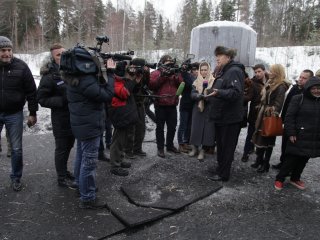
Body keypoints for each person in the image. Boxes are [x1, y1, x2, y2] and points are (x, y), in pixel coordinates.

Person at [63, 56, 114, 209]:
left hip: (82, 125)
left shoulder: (74, 76)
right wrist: (110, 74)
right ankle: (88, 197)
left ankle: (80, 185)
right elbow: (106, 95)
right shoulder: (86, 80)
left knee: (81, 155)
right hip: (89, 125)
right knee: (89, 162)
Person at [0, 36, 38, 191]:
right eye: (3, 50)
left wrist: (33, 113)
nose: (7, 53)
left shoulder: (21, 67)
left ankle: (16, 177)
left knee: (16, 148)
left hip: (14, 114)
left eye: (9, 50)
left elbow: (31, 91)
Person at [37, 43, 75, 187]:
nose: (62, 56)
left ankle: (64, 171)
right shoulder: (49, 76)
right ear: (53, 58)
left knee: (69, 145)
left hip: (74, 117)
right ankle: (61, 177)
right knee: (61, 148)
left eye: (64, 53)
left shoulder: (72, 70)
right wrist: (62, 100)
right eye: (58, 55)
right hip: (60, 118)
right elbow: (41, 98)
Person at [206, 46, 245, 181]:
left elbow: (235, 92)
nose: (217, 58)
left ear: (228, 57)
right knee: (221, 146)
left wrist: (218, 92)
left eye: (220, 55)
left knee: (227, 147)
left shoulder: (234, 71)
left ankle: (224, 174)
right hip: (221, 116)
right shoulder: (224, 71)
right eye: (216, 55)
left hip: (230, 118)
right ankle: (220, 169)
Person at [274, 76, 320, 190]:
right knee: (291, 159)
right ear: (309, 88)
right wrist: (291, 133)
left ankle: (295, 178)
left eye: (319, 88)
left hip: (314, 137)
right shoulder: (298, 99)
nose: (316, 90)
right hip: (299, 135)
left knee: (304, 159)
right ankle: (280, 179)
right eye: (313, 88)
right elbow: (289, 117)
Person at [108, 59, 144, 176]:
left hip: (125, 113)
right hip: (119, 113)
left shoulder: (122, 81)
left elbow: (131, 91)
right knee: (118, 140)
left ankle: (120, 159)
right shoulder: (115, 81)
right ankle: (115, 165)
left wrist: (136, 81)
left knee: (122, 139)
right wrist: (132, 80)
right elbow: (125, 93)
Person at [251, 64, 290, 173]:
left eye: (272, 71)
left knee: (267, 140)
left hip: (269, 116)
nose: (269, 72)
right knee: (259, 138)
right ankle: (259, 160)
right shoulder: (270, 82)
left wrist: (269, 110)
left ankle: (265, 163)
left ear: (277, 72)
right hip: (262, 113)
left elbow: (278, 104)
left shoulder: (281, 86)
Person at [272, 69, 313, 170]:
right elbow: (286, 105)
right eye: (300, 77)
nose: (300, 79)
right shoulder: (294, 88)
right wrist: (283, 119)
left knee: (294, 147)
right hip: (288, 122)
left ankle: (290, 168)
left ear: (310, 80)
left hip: (299, 125)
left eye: (304, 78)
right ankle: (282, 163)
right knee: (284, 145)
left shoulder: (309, 93)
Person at [149, 55, 183, 158]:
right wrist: (163, 75)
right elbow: (152, 85)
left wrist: (176, 74)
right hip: (160, 104)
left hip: (172, 104)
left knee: (172, 127)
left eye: (171, 62)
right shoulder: (155, 73)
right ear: (162, 62)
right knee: (160, 127)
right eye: (167, 62)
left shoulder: (175, 72)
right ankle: (160, 148)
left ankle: (170, 145)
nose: (169, 64)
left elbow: (181, 84)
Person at [188, 62, 215, 161]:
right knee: (196, 128)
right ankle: (195, 148)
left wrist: (207, 96)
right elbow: (192, 94)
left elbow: (215, 95)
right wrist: (197, 96)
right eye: (202, 70)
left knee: (206, 130)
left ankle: (203, 150)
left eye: (205, 70)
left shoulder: (213, 81)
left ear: (209, 70)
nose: (203, 72)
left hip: (208, 108)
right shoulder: (196, 81)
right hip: (197, 108)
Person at [123, 59, 150, 158]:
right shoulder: (129, 73)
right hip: (131, 103)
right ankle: (128, 151)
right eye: (141, 67)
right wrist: (135, 79)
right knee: (131, 129)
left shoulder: (142, 73)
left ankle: (137, 149)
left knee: (141, 127)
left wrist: (146, 74)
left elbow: (147, 85)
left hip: (140, 103)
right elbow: (129, 89)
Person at [241, 64, 268, 163]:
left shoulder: (270, 82)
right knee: (250, 134)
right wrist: (239, 98)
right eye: (256, 72)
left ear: (264, 71)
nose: (257, 74)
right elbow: (249, 97)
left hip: (266, 113)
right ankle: (246, 153)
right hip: (255, 113)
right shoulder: (253, 83)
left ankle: (260, 157)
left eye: (259, 71)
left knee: (263, 135)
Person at [177, 62, 199, 153]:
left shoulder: (198, 78)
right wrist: (184, 71)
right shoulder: (187, 77)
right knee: (183, 125)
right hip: (185, 105)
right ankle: (180, 144)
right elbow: (190, 84)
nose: (196, 71)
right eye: (194, 70)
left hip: (192, 105)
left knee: (189, 126)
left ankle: (186, 142)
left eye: (197, 70)